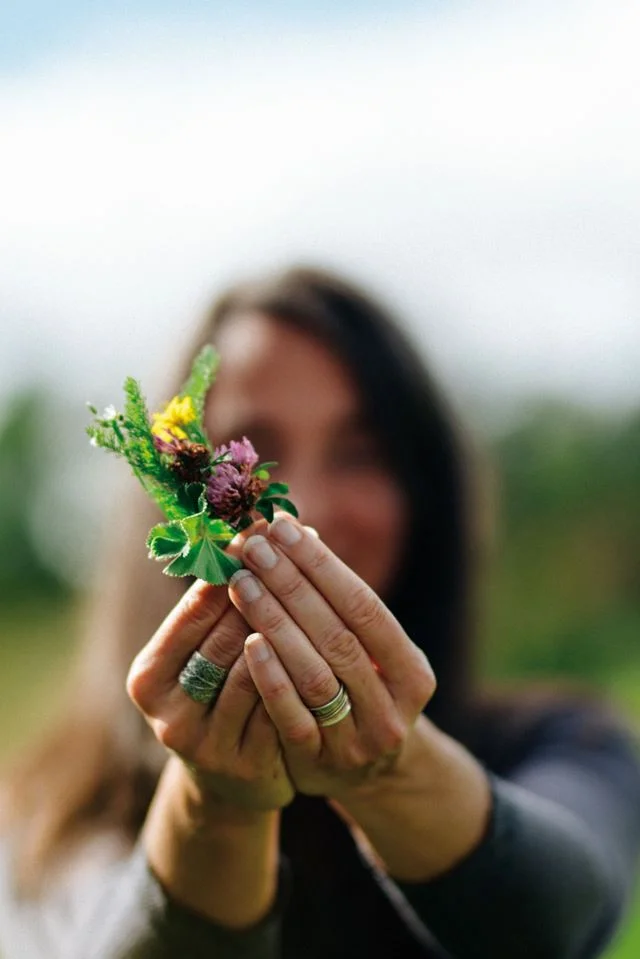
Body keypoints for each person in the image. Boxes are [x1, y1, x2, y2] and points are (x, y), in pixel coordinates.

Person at [1, 266, 639, 959]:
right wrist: (215, 805)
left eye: (360, 453)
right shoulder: (47, 815)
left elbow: (561, 917)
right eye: (252, 452)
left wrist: (388, 767)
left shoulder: (567, 743)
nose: (302, 509)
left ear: (425, 495)